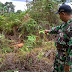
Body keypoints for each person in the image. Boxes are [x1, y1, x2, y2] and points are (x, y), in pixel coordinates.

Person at [45, 4, 72, 72]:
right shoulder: (65, 24)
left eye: (59, 14)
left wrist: (67, 64)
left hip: (66, 60)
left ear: (63, 14)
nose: (59, 16)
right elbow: (58, 28)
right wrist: (49, 31)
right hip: (60, 57)